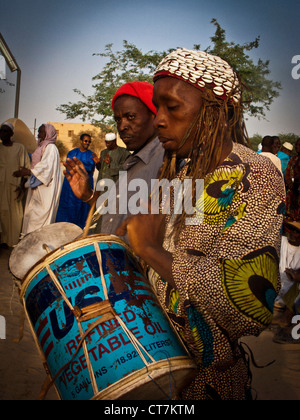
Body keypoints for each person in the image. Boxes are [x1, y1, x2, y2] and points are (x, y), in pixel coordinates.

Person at [116, 48, 285, 400]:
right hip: (155, 360)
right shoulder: (181, 175)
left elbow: (246, 304)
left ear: (217, 109)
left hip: (208, 383)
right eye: (157, 108)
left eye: (172, 107)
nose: (159, 119)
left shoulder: (256, 175)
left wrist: (149, 249)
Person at [63, 81, 164, 242]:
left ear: (154, 115)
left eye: (131, 117)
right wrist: (88, 195)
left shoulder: (166, 162)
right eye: (118, 120)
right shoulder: (134, 161)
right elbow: (113, 216)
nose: (122, 126)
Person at [14, 124, 62, 236]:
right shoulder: (41, 147)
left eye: (41, 132)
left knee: (39, 220)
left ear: (48, 134)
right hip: (37, 189)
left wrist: (29, 172)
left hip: (45, 191)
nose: (38, 134)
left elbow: (46, 167)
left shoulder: (51, 148)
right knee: (31, 217)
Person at [56, 133, 96, 229]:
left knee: (83, 207)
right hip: (70, 186)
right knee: (69, 205)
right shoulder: (72, 153)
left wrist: (78, 165)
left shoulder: (91, 154)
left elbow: (90, 167)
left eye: (89, 141)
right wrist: (80, 166)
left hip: (85, 184)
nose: (87, 143)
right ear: (81, 141)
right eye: (86, 141)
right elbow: (70, 164)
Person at [0, 122, 31, 247]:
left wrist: (22, 186)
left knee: (15, 215)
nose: (3, 133)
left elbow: (25, 169)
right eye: (1, 131)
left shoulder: (19, 148)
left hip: (15, 187)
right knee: (2, 214)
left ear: (11, 134)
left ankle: (13, 242)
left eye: (6, 131)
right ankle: (3, 240)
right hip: (1, 186)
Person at [273, 220, 300, 344]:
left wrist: (294, 274)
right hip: (275, 287)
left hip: (290, 294)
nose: (293, 233)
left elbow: (296, 277)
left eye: (297, 231)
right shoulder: (281, 242)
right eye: (292, 229)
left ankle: (288, 326)